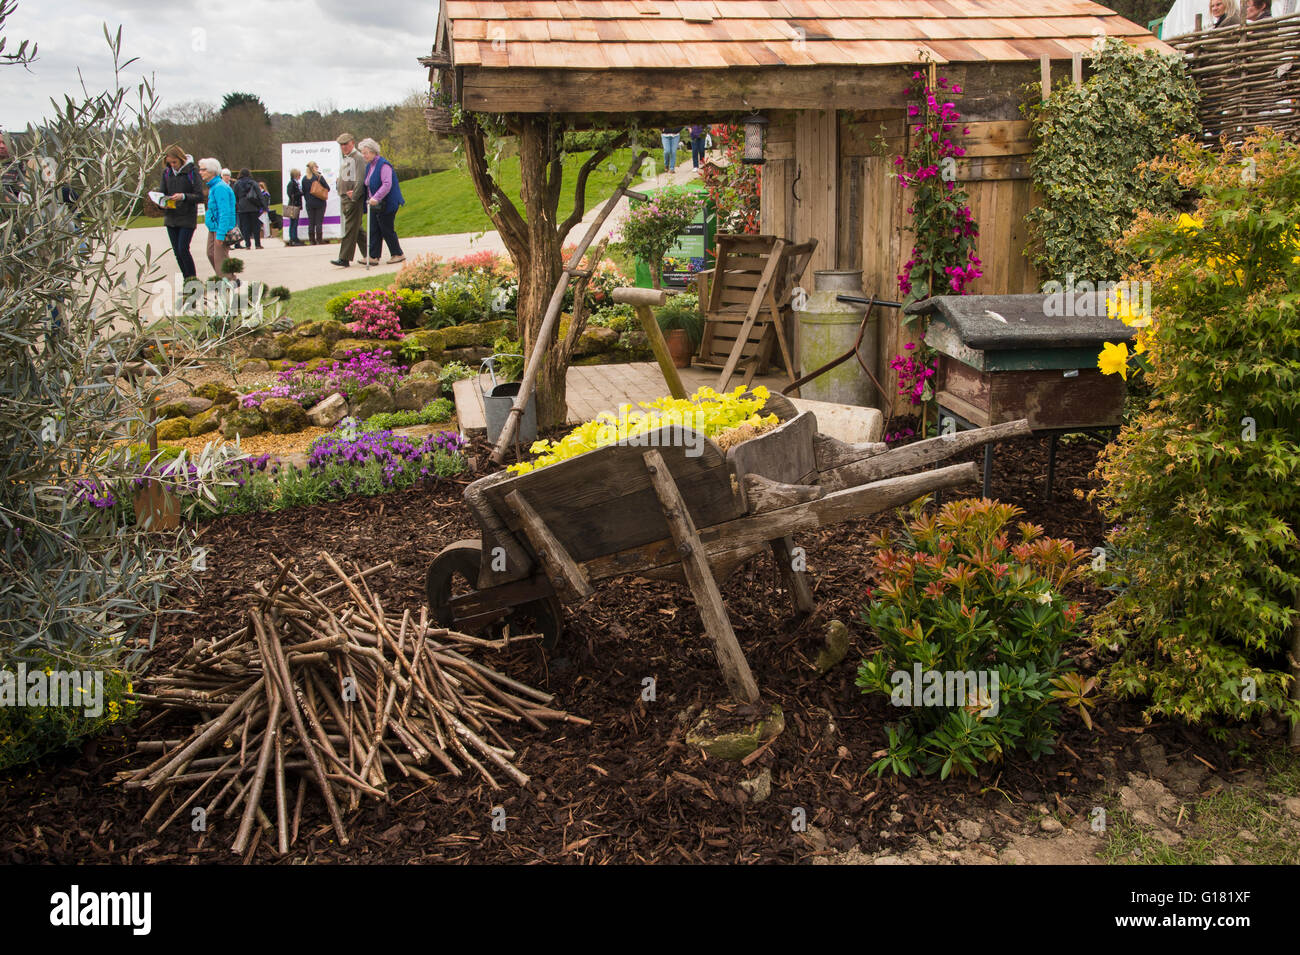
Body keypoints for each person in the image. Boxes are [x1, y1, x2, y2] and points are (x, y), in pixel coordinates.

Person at [160, 144, 205, 281]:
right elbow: (163, 193)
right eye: (170, 163)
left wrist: (184, 196)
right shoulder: (166, 173)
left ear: (181, 158)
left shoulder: (192, 172)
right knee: (177, 252)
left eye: (175, 162)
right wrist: (162, 202)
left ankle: (192, 280)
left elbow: (199, 196)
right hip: (171, 217)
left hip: (187, 217)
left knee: (183, 249)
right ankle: (187, 280)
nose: (173, 165)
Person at [358, 138, 404, 264]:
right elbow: (367, 184)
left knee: (386, 228)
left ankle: (397, 253)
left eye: (366, 152)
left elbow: (387, 184)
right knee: (373, 228)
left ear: (373, 152)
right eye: (362, 152)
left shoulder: (383, 165)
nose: (364, 155)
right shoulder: (369, 166)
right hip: (374, 204)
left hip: (387, 203)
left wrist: (376, 197)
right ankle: (373, 256)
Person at [331, 133, 367, 267]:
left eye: (346, 144)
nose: (344, 147)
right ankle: (371, 254)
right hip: (345, 197)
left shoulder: (357, 158)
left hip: (352, 199)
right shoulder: (348, 158)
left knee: (350, 228)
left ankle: (344, 258)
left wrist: (355, 196)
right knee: (356, 229)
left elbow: (360, 179)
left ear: (352, 142)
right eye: (341, 145)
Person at [197, 158, 236, 277]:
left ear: (212, 171)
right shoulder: (214, 187)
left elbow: (225, 212)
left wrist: (221, 233)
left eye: (203, 170)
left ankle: (228, 282)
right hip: (213, 227)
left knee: (220, 260)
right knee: (211, 254)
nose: (200, 172)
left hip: (220, 228)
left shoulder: (220, 188)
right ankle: (229, 279)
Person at [232, 168, 264, 250]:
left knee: (245, 227)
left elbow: (234, 196)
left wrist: (236, 205)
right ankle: (257, 244)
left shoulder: (237, 183)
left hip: (242, 208)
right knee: (255, 226)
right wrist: (263, 206)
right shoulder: (253, 183)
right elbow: (259, 195)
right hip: (253, 207)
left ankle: (247, 244)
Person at [302, 161, 329, 246]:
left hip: (309, 203)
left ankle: (311, 240)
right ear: (314, 168)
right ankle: (319, 240)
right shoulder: (319, 177)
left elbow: (303, 191)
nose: (317, 168)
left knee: (311, 222)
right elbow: (327, 188)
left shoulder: (304, 179)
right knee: (319, 222)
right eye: (316, 166)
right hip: (320, 202)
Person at [284, 168, 304, 246]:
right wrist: (300, 193)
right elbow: (291, 195)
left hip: (296, 205)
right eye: (299, 175)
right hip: (293, 205)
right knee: (293, 223)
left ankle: (295, 238)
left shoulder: (296, 183)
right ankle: (293, 238)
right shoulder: (291, 183)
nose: (300, 176)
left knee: (295, 222)